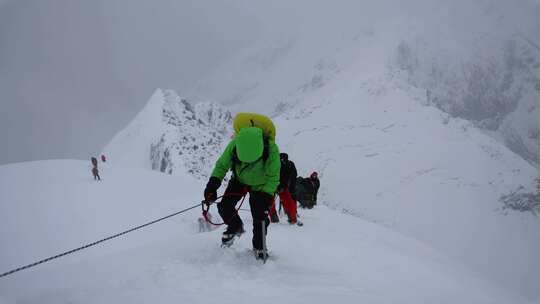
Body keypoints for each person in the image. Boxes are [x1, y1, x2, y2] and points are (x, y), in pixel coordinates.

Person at [203, 113, 280, 260]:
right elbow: (222, 166)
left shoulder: (271, 149)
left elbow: (274, 176)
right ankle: (235, 226)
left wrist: (267, 196)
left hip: (261, 185)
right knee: (225, 206)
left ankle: (259, 246)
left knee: (260, 217)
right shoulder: (234, 144)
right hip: (240, 180)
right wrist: (212, 186)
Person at [269, 153, 300, 225]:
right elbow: (292, 176)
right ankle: (292, 219)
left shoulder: (274, 163)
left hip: (273, 185)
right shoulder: (289, 164)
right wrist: (285, 186)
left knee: (269, 201)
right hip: (282, 186)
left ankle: (274, 217)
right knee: (288, 202)